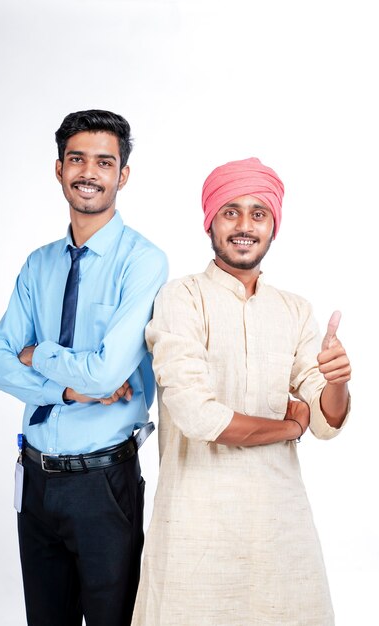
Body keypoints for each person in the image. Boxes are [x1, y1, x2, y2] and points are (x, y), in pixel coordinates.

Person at [131, 157, 351, 626]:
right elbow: (196, 414)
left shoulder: (294, 310)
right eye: (231, 211)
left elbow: (325, 421)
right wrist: (288, 426)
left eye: (258, 213)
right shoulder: (181, 297)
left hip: (279, 524)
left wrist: (337, 381)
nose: (245, 225)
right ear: (210, 220)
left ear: (274, 226)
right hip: (196, 525)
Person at [0, 109, 168, 626]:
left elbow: (108, 374)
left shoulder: (144, 262)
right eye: (77, 159)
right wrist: (68, 392)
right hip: (36, 479)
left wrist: (37, 354)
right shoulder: (38, 264)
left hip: (103, 484)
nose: (89, 172)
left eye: (104, 162)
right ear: (59, 168)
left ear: (122, 175)